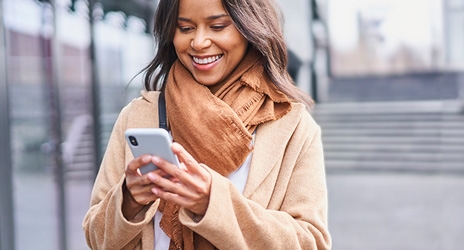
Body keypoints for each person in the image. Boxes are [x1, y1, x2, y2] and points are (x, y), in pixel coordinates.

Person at [82, 0, 331, 249]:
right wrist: (128, 201)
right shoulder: (138, 115)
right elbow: (95, 237)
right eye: (186, 28)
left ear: (249, 28)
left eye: (217, 26)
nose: (199, 42)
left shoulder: (293, 126)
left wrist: (213, 203)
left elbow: (312, 242)